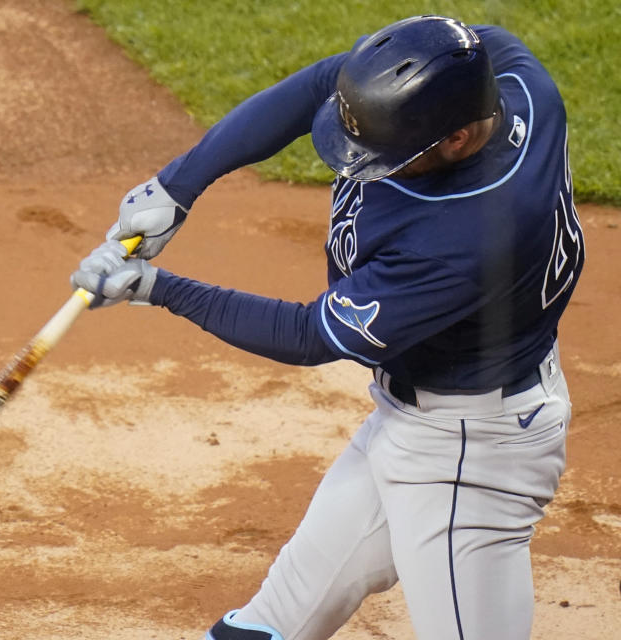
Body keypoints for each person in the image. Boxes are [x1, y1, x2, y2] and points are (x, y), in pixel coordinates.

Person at [71, 14, 584, 640]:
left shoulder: (469, 235)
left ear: (455, 139)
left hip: (469, 457)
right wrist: (177, 187)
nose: (363, 164)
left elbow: (311, 334)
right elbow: (328, 81)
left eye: (390, 156)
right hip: (412, 419)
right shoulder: (509, 79)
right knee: (266, 629)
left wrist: (158, 289)